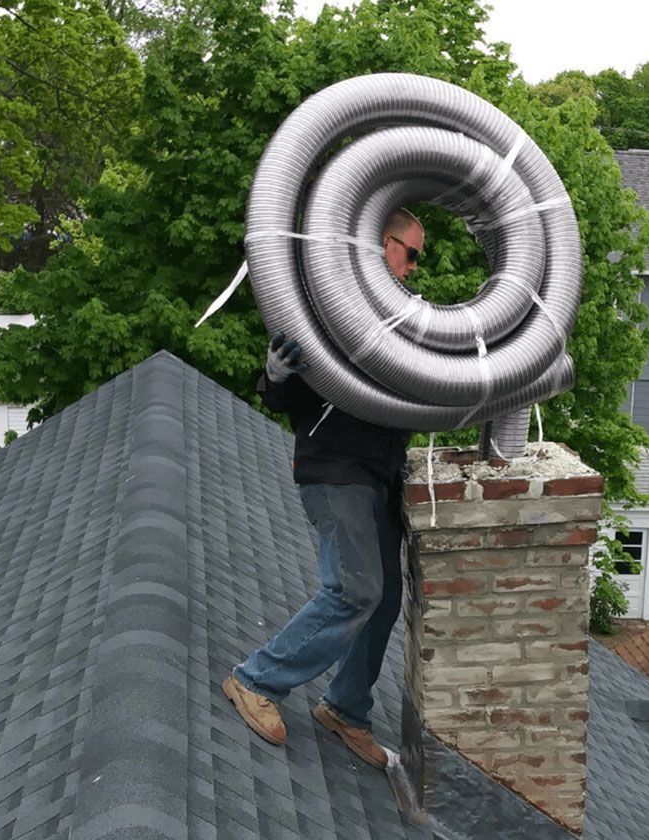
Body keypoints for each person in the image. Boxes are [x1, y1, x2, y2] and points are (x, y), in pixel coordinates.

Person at [223, 209, 425, 770]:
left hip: (378, 476)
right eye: (410, 253)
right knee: (356, 589)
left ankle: (345, 708)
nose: (414, 267)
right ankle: (255, 679)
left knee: (383, 600)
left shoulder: (405, 318)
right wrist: (276, 374)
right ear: (380, 241)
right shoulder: (331, 303)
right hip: (334, 470)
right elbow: (288, 398)